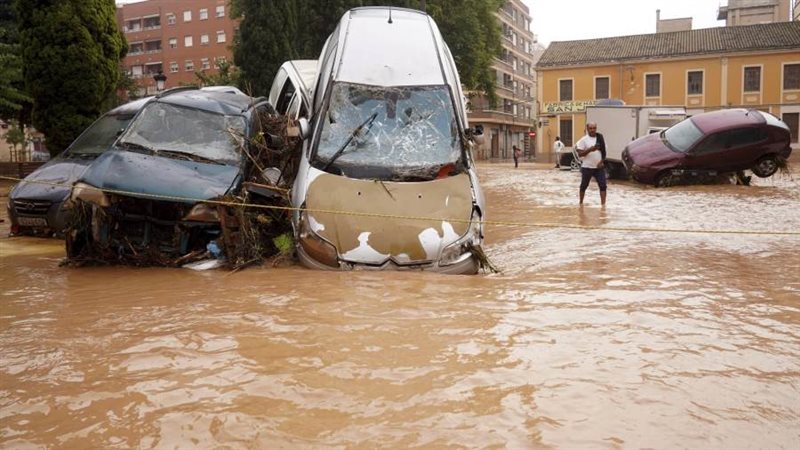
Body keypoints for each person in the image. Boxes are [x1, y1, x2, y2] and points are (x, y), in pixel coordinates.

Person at [575, 122, 607, 206]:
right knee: (584, 186)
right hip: (587, 167)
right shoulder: (583, 140)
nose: (592, 130)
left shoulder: (600, 138)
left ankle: (603, 206)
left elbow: (604, 152)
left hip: (599, 167)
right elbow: (580, 154)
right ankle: (581, 203)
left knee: (603, 185)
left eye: (594, 128)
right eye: (591, 128)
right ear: (587, 129)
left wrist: (602, 162)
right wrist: (590, 149)